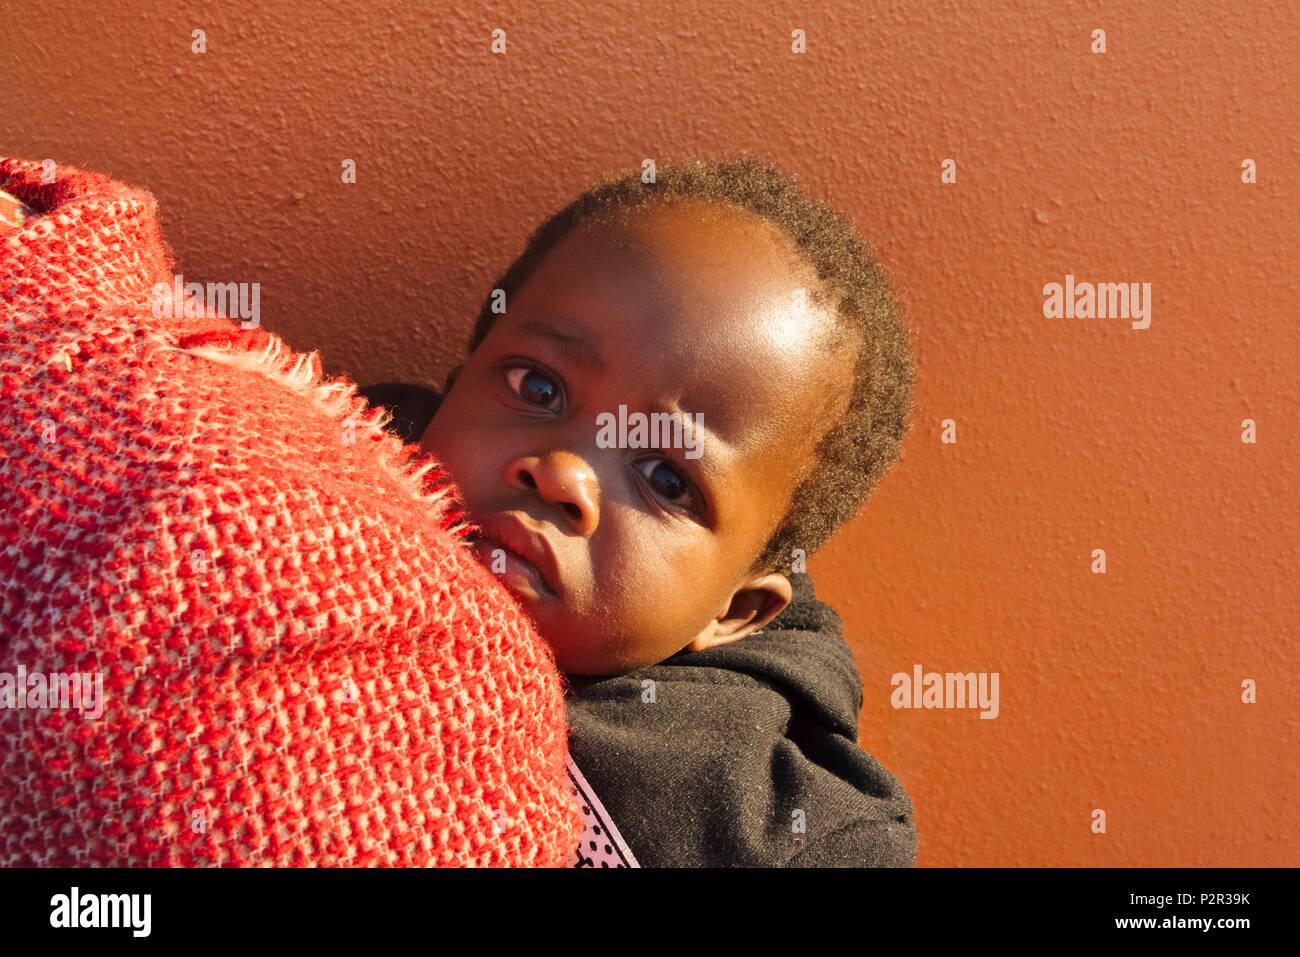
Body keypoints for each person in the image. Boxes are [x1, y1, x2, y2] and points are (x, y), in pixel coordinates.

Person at [363, 155, 919, 866]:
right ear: (455, 385)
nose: (565, 472)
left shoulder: (768, 822)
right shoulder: (305, 482)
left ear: (733, 610)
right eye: (537, 386)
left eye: (666, 477)